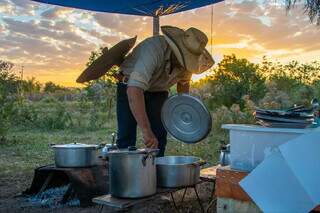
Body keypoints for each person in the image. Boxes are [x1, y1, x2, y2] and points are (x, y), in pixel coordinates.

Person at [115, 25, 214, 157]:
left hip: (158, 90)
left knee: (159, 135)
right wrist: (146, 131)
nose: (187, 64)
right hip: (130, 86)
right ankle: (125, 173)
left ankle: (156, 172)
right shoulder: (154, 49)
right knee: (127, 135)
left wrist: (183, 113)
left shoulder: (189, 63)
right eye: (185, 57)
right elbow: (134, 90)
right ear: (176, 50)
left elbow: (183, 84)